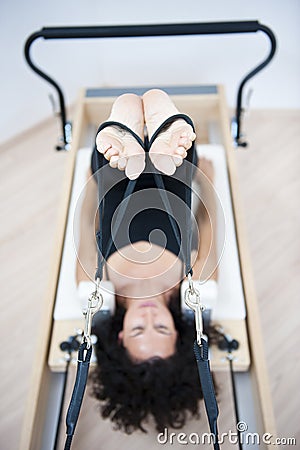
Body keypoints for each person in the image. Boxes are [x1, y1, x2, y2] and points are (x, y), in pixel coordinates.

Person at [76, 89, 218, 433]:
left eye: (140, 329)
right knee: (163, 120)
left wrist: (89, 184)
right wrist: (207, 180)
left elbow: (86, 228)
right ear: (179, 332)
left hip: (117, 175)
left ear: (121, 336)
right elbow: (206, 229)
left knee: (116, 144)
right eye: (163, 328)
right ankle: (162, 125)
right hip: (173, 180)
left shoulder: (99, 289)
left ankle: (125, 127)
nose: (150, 317)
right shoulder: (191, 288)